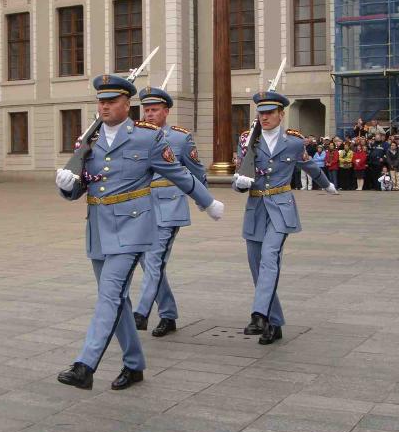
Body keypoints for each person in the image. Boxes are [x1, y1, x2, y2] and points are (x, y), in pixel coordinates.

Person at [55, 74, 224, 391]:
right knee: (117, 300)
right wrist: (66, 186)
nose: (105, 106)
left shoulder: (146, 138)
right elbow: (82, 186)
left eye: (112, 101)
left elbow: (180, 175)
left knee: (109, 294)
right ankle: (134, 365)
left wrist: (208, 202)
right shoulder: (88, 140)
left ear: (126, 104)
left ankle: (85, 365)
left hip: (132, 226)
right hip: (98, 229)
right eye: (101, 101)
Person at [234, 90, 336, 346]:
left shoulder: (293, 142)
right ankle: (274, 321)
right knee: (257, 266)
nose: (265, 117)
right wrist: (241, 183)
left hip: (280, 207)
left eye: (270, 113)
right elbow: (239, 178)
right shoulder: (248, 141)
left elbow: (308, 165)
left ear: (281, 115)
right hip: (255, 207)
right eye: (261, 112)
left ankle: (258, 314)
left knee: (270, 258)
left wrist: (327, 184)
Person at [132, 85, 206, 338]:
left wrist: (202, 198)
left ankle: (140, 313)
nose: (149, 114)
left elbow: (197, 171)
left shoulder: (179, 138)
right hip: (141, 207)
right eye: (146, 110)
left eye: (154, 110)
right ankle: (168, 314)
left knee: (154, 260)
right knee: (150, 264)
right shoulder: (136, 135)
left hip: (169, 205)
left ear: (166, 111)